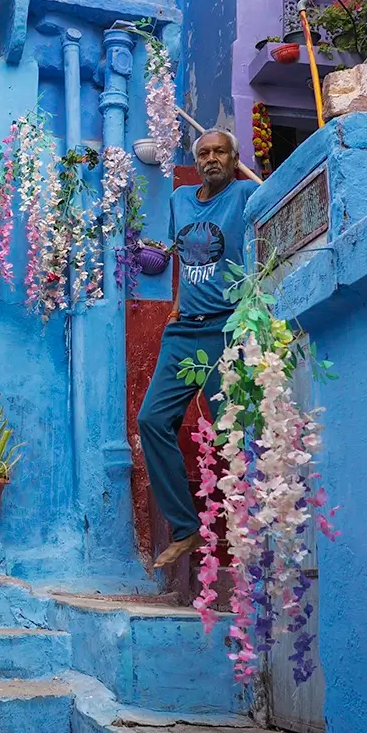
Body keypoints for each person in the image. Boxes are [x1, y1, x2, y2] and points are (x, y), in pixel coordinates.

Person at [137, 128, 258, 572]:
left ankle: (257, 535)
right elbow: (186, 265)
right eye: (204, 153)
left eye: (220, 152)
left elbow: (276, 206)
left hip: (226, 331)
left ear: (234, 156)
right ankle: (185, 527)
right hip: (183, 331)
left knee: (234, 435)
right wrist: (173, 309)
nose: (211, 159)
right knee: (151, 420)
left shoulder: (246, 193)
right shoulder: (179, 199)